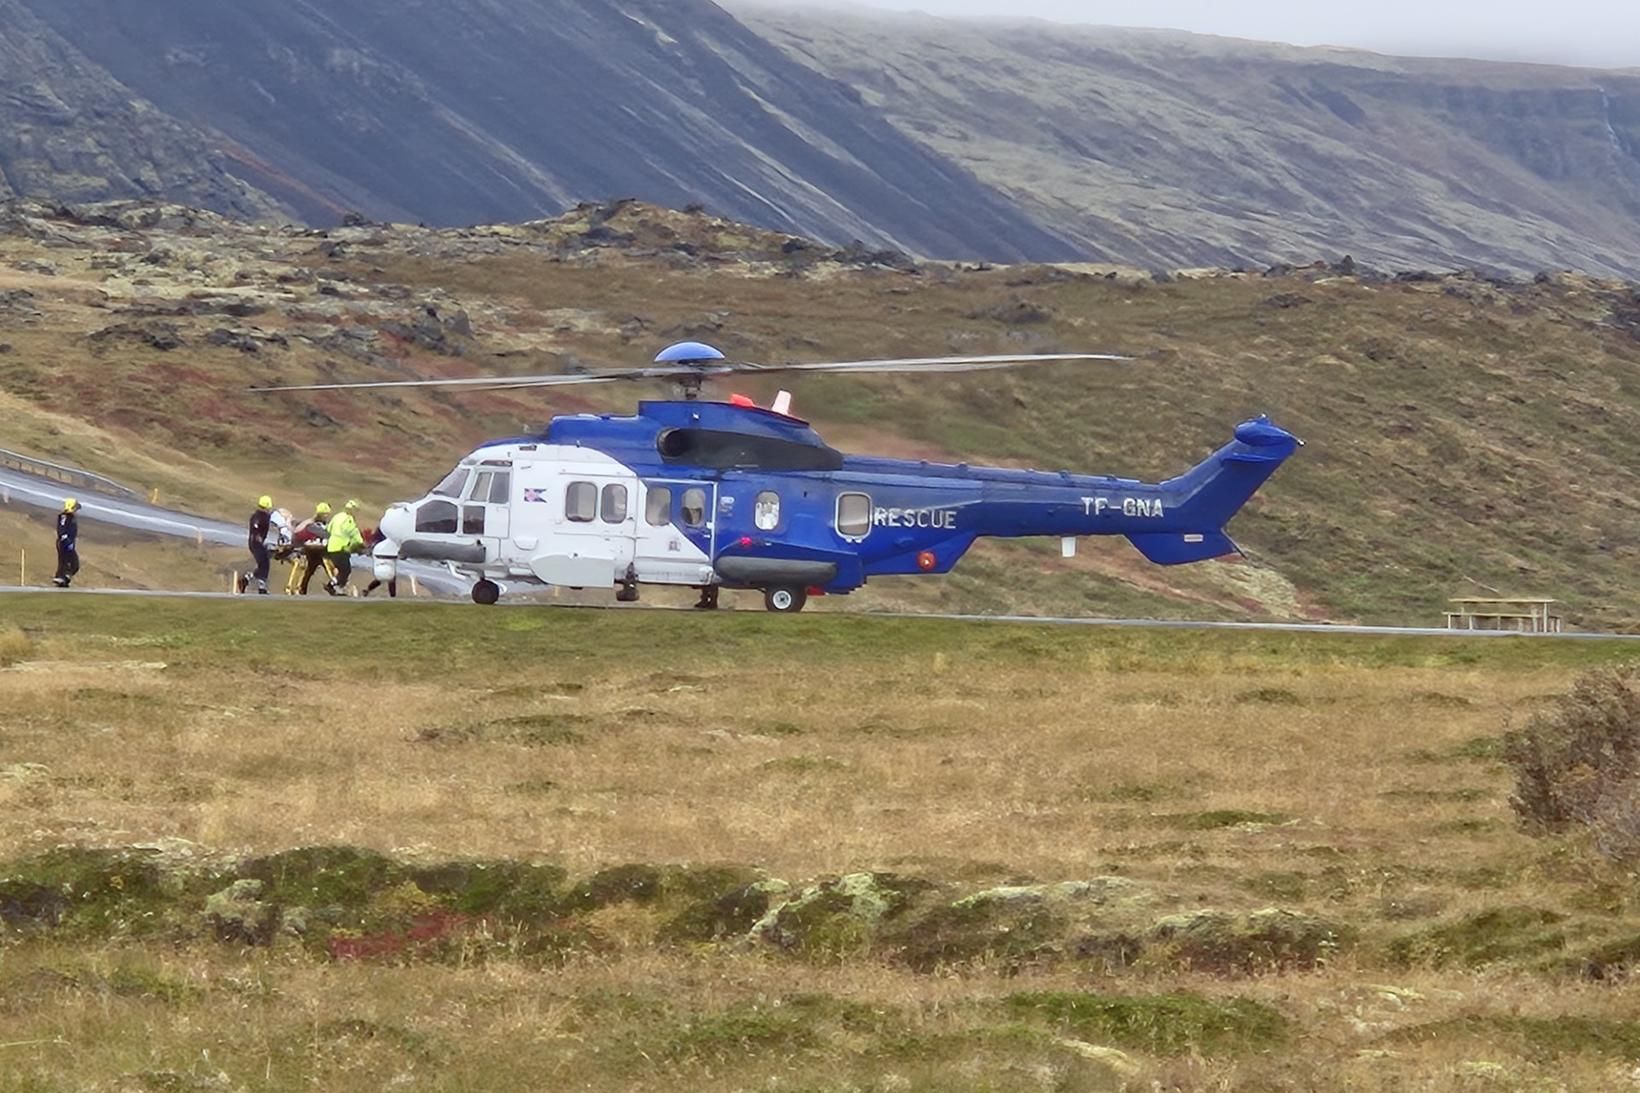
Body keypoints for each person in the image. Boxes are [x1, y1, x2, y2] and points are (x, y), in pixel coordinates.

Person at [324, 499, 366, 595]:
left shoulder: (337, 516)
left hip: (331, 547)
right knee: (346, 571)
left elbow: (328, 529)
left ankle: (335, 587)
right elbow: (355, 535)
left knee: (342, 570)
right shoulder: (349, 520)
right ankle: (333, 586)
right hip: (341, 548)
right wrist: (359, 543)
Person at [292, 502, 333, 595]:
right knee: (311, 570)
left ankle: (302, 588)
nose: (327, 516)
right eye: (326, 514)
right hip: (311, 551)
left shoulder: (321, 524)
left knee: (311, 570)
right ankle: (301, 589)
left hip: (318, 551)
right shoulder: (311, 524)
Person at [237, 496, 275, 595]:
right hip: (256, 543)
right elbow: (256, 526)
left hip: (254, 542)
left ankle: (247, 580)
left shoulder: (256, 515)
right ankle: (259, 586)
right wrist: (259, 537)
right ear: (266, 507)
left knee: (263, 565)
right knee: (264, 564)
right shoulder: (262, 517)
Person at [361, 526, 398, 598]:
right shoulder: (390, 530)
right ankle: (393, 596)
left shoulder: (382, 527)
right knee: (390, 575)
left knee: (383, 575)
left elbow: (375, 539)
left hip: (380, 551)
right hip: (385, 552)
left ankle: (368, 590)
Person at [52, 498, 81, 587]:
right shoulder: (64, 517)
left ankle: (64, 579)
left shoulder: (71, 517)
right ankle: (61, 577)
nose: (76, 510)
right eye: (75, 508)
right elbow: (61, 529)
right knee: (66, 562)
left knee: (73, 564)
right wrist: (66, 539)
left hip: (69, 543)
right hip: (64, 543)